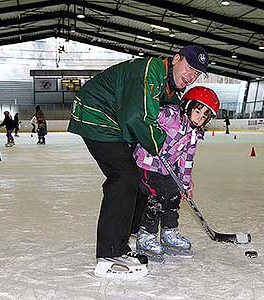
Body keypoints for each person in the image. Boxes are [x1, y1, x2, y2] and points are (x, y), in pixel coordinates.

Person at [67, 44, 209, 278]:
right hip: (97, 113)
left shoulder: (173, 90)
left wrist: (179, 169)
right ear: (175, 59)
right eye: (189, 67)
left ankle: (134, 230)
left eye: (197, 73)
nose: (191, 76)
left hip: (118, 121)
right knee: (124, 177)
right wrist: (161, 146)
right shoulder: (151, 72)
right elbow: (138, 118)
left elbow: (175, 129)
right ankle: (109, 254)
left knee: (142, 174)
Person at [134, 86, 219, 263]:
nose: (200, 118)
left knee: (172, 198)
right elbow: (148, 116)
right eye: (197, 111)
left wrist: (185, 185)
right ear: (187, 105)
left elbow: (186, 161)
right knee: (156, 199)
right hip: (147, 164)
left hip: (168, 169)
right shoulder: (171, 115)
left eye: (204, 116)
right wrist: (152, 136)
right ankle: (146, 237)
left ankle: (169, 233)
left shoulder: (194, 135)